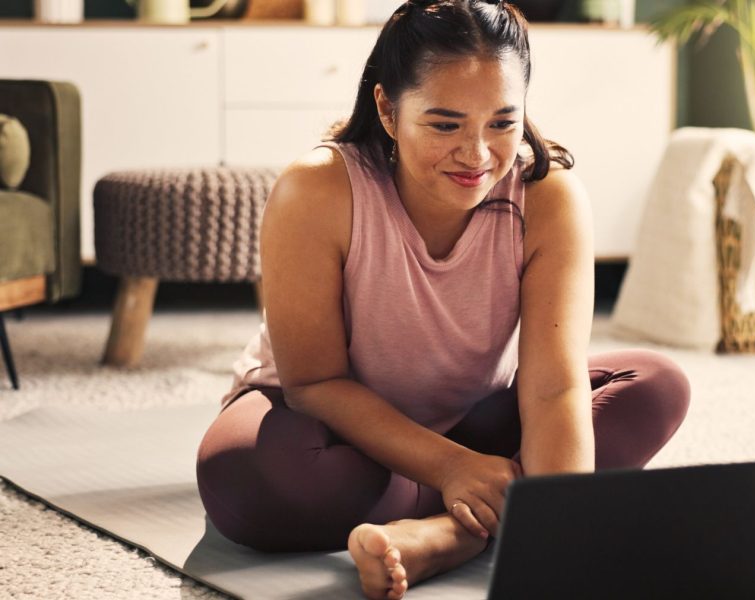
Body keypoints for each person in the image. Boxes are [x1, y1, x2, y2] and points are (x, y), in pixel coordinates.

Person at [195, 1, 690, 599]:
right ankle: (493, 503)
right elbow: (313, 382)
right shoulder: (317, 189)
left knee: (656, 384)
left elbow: (553, 388)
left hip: (476, 418)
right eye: (445, 124)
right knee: (243, 476)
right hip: (328, 424)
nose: (477, 155)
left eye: (502, 124)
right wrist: (452, 468)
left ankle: (451, 533)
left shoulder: (550, 199)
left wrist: (562, 532)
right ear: (387, 108)